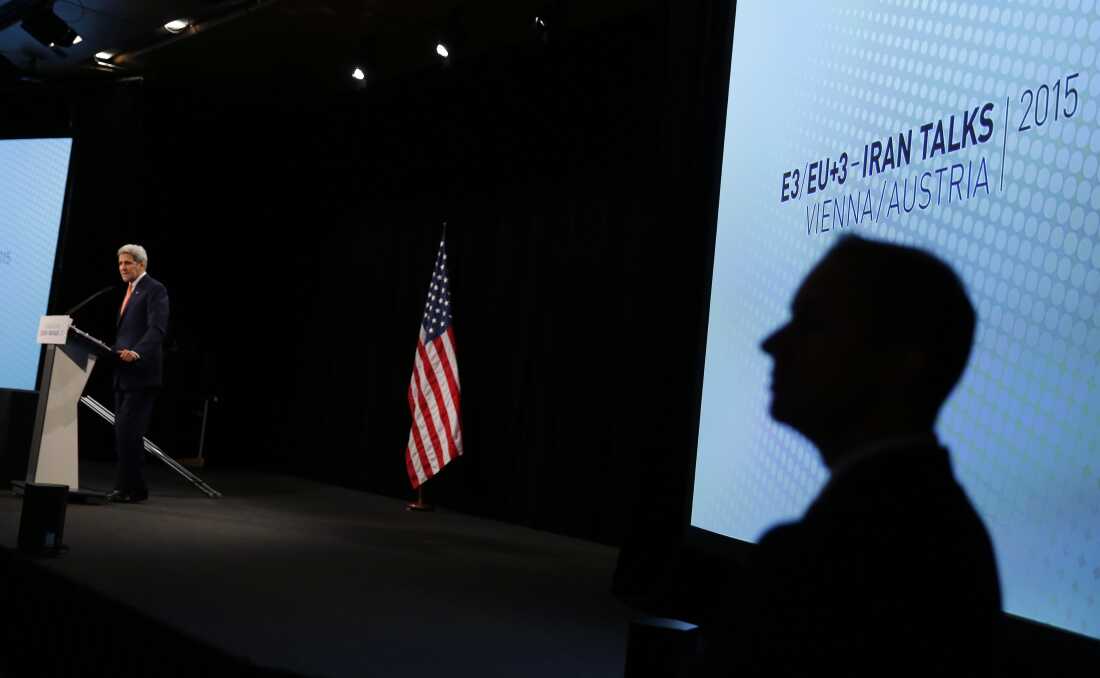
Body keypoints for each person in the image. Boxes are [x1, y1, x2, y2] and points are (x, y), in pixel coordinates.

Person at [703, 235, 1002, 677]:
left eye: (811, 324)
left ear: (901, 362)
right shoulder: (951, 535)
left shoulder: (817, 564)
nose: (772, 343)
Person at [109, 244, 170, 503]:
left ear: (142, 264)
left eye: (128, 263)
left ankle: (130, 488)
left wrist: (137, 352)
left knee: (127, 431)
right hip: (123, 373)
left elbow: (157, 329)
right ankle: (134, 488)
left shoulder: (155, 289)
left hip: (142, 373)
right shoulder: (129, 291)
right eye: (120, 263)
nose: (122, 268)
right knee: (124, 432)